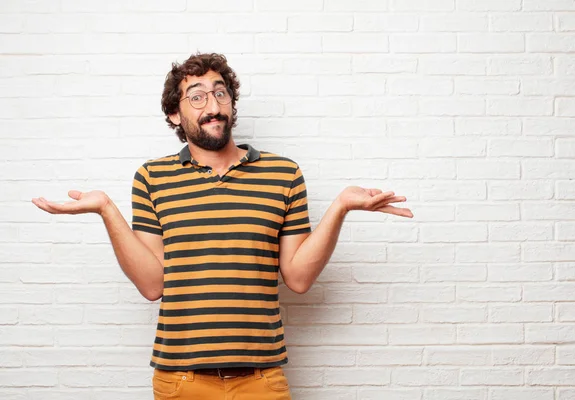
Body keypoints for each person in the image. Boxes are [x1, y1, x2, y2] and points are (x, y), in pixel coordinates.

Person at [32, 52, 413, 399]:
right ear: (174, 115)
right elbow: (152, 285)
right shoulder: (152, 178)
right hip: (181, 379)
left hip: (262, 380)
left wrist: (341, 206)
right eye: (196, 96)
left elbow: (297, 278)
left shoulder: (283, 173)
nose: (213, 106)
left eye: (221, 94)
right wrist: (106, 209)